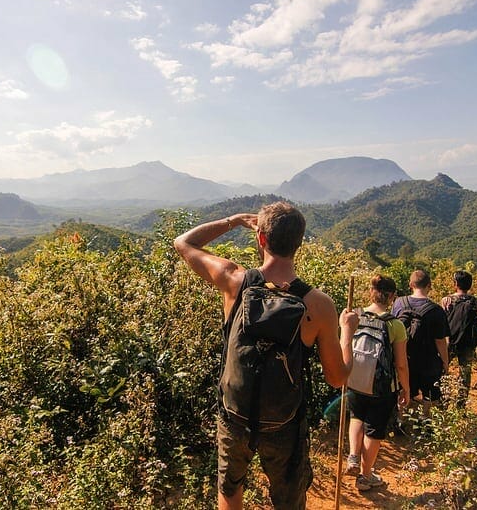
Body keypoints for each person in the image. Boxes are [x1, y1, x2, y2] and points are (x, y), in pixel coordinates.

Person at [174, 201, 359, 510]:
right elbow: (338, 377)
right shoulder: (319, 306)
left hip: (235, 415)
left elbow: (184, 242)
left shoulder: (234, 281)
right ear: (299, 243)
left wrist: (234, 220)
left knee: (230, 491)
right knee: (288, 500)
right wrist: (348, 333)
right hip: (284, 422)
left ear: (260, 238)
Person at [345, 275, 410, 491]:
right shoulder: (395, 325)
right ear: (392, 296)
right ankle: (365, 477)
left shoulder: (355, 316)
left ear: (371, 292)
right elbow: (400, 364)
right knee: (374, 429)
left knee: (357, 417)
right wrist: (405, 388)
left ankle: (353, 456)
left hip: (354, 380)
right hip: (381, 387)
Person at [391, 269, 449, 425]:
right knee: (430, 392)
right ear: (429, 285)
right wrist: (445, 362)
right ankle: (425, 420)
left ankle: (400, 420)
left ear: (411, 285)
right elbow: (440, 340)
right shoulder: (436, 310)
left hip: (403, 356)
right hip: (428, 360)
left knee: (403, 388)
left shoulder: (398, 303)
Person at [441, 270, 477, 408]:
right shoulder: (476, 301)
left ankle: (443, 401)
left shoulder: (447, 300)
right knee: (465, 373)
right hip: (467, 342)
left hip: (449, 340)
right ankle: (461, 404)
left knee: (443, 370)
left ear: (455, 284)